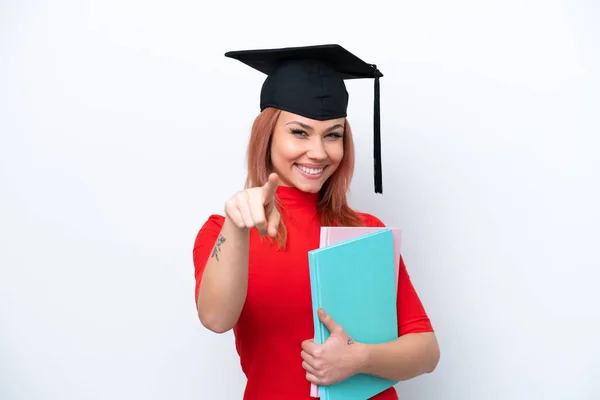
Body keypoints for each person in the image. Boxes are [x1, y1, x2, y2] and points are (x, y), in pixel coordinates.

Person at [192, 44, 440, 400]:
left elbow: (426, 351)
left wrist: (360, 359)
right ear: (268, 136)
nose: (319, 152)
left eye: (333, 135)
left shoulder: (365, 230)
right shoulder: (223, 231)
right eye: (299, 132)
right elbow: (216, 319)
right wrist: (236, 226)